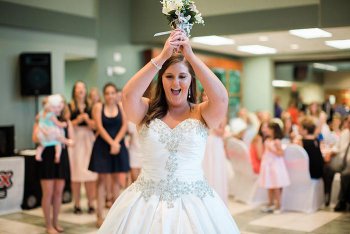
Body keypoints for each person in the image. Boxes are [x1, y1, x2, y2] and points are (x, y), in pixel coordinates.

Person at [98, 29, 239, 233]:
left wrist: (190, 56)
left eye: (183, 76)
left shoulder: (202, 112)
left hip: (195, 205)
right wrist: (162, 57)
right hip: (145, 202)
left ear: (191, 81)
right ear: (160, 79)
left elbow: (222, 99)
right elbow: (127, 96)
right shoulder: (146, 110)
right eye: (169, 76)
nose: (176, 83)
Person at [88, 83, 129, 227]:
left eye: (112, 93)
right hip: (102, 147)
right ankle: (99, 216)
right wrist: (111, 143)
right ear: (104, 95)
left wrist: (116, 142)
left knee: (117, 181)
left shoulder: (120, 106)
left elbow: (125, 125)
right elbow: (99, 126)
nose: (110, 96)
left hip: (118, 145)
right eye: (107, 93)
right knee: (101, 182)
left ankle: (115, 216)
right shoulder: (98, 107)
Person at [33, 96, 73, 234]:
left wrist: (65, 137)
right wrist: (47, 133)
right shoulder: (42, 117)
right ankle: (48, 224)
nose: (59, 106)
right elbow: (34, 137)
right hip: (47, 156)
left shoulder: (65, 121)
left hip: (61, 156)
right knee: (48, 192)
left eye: (61, 103)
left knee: (58, 193)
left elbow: (72, 140)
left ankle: (56, 222)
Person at [68, 81, 97, 214]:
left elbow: (96, 126)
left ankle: (91, 203)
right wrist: (77, 120)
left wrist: (87, 120)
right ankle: (77, 203)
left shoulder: (92, 106)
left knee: (89, 173)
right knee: (76, 173)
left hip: (88, 140)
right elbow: (67, 124)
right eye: (78, 88)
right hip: (75, 139)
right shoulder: (70, 106)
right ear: (74, 91)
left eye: (83, 87)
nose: (81, 90)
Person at [201, 91, 229, 204]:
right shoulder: (199, 110)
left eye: (207, 94)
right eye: (203, 95)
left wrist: (211, 126)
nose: (205, 97)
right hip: (204, 142)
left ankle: (217, 198)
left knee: (215, 168)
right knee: (204, 166)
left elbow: (222, 132)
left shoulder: (221, 112)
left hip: (215, 143)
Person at [258, 122, 290, 214]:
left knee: (276, 185)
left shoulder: (277, 141)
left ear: (274, 131)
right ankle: (270, 203)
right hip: (267, 164)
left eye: (269, 129)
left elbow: (281, 154)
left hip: (275, 165)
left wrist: (273, 150)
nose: (266, 130)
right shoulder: (267, 139)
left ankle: (279, 205)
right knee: (269, 185)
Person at [35, 95, 72, 163]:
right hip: (48, 152)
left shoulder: (41, 114)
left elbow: (72, 141)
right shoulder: (51, 115)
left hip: (44, 133)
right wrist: (63, 125)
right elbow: (58, 123)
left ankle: (38, 155)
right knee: (57, 144)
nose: (57, 108)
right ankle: (57, 155)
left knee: (42, 146)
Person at [331, 116, 350, 211]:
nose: (348, 125)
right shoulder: (344, 133)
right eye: (348, 122)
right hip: (341, 160)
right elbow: (337, 146)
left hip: (349, 163)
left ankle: (342, 201)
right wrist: (331, 151)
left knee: (346, 174)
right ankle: (327, 197)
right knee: (327, 168)